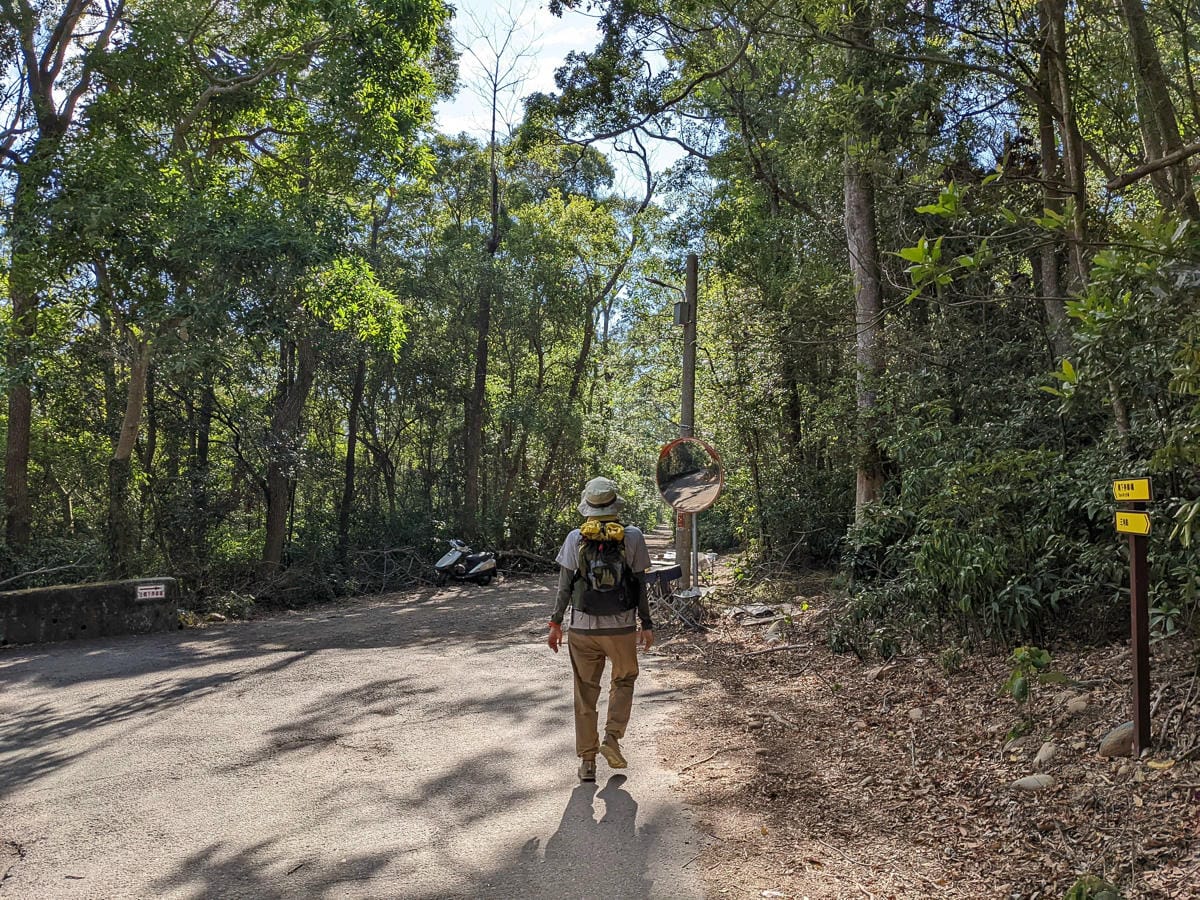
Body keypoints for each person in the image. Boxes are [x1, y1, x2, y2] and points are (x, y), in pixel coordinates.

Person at [547, 476, 654, 782]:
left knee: (585, 693)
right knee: (624, 681)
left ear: (588, 506)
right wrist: (646, 625)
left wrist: (556, 624)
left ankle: (587, 762)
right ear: (615, 504)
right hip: (621, 628)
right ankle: (612, 738)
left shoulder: (574, 538)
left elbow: (565, 587)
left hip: (582, 628)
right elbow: (639, 585)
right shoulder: (632, 536)